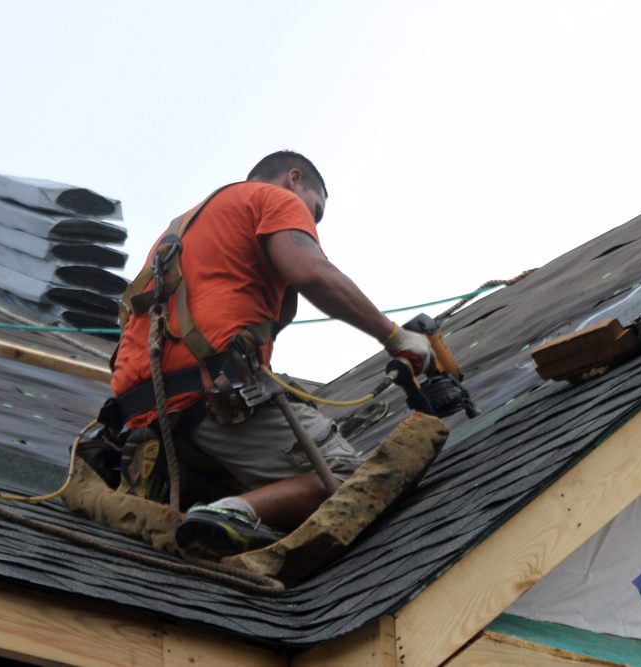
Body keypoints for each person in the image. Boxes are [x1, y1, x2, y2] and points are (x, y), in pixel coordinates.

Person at [108, 150, 434, 556]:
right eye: (314, 212)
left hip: (143, 412)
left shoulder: (187, 229)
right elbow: (310, 271)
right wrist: (396, 337)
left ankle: (187, 491)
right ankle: (232, 512)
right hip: (212, 396)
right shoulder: (272, 199)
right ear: (293, 179)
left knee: (283, 489)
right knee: (354, 477)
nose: (311, 223)